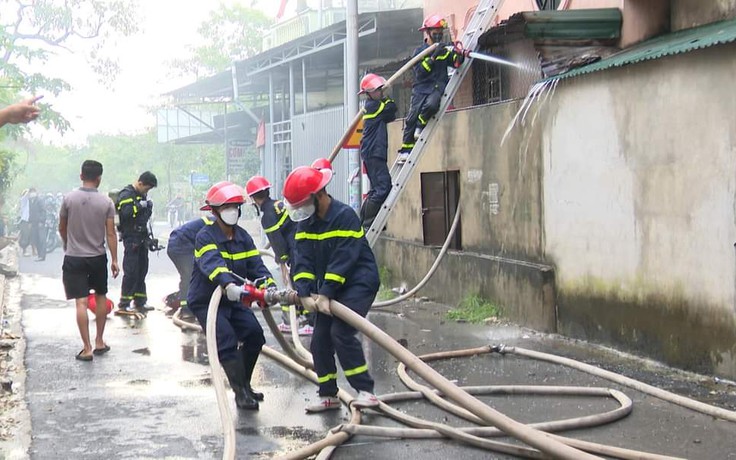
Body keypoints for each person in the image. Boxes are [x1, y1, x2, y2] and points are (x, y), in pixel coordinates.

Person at [283, 166, 380, 413]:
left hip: (358, 282)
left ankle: (366, 391)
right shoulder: (306, 222)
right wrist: (304, 292)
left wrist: (326, 292)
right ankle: (328, 395)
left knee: (341, 332)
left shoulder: (345, 216)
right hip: (329, 289)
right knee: (319, 340)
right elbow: (301, 260)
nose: (301, 210)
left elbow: (344, 259)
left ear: (319, 195)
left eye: (303, 203)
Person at [188, 181, 278, 410]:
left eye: (236, 206)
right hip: (208, 301)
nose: (232, 211)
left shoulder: (243, 237)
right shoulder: (205, 236)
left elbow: (256, 265)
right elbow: (213, 264)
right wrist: (227, 283)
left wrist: (269, 286)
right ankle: (239, 393)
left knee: (255, 335)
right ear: (215, 211)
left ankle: (245, 385)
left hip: (234, 298)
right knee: (226, 340)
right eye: (227, 207)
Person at [58, 160, 120, 361]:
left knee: (81, 302)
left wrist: (68, 244)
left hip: (74, 257)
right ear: (99, 178)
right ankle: (100, 341)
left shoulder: (68, 199)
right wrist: (114, 259)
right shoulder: (106, 203)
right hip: (97, 258)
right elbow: (111, 234)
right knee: (101, 296)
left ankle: (87, 348)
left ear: (81, 176)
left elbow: (62, 227)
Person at [245, 175, 313, 336]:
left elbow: (277, 242)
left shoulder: (267, 215)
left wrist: (282, 263)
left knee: (294, 283)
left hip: (294, 248)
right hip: (303, 243)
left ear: (254, 198)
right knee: (302, 281)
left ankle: (308, 320)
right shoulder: (279, 204)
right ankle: (298, 318)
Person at [397, 14, 465, 163]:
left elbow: (455, 63)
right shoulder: (419, 52)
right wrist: (434, 56)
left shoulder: (445, 50)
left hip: (437, 88)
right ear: (427, 32)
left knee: (433, 104)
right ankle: (406, 151)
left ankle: (421, 124)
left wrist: (459, 55)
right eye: (436, 31)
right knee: (411, 119)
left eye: (441, 31)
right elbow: (421, 71)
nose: (439, 34)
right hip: (421, 89)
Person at [358, 73, 397, 229]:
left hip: (374, 152)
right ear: (369, 93)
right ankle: (367, 221)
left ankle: (365, 220)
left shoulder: (376, 108)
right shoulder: (372, 106)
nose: (380, 92)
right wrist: (387, 98)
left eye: (381, 90)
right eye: (378, 90)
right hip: (373, 151)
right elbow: (391, 107)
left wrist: (385, 99)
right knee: (383, 187)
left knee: (377, 189)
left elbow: (391, 115)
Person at [116, 171, 158, 314]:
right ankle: (124, 303)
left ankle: (140, 301)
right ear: (140, 183)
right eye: (146, 188)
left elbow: (145, 216)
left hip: (141, 236)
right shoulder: (126, 194)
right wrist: (140, 206)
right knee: (131, 271)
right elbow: (127, 214)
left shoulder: (141, 196)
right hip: (131, 237)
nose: (147, 191)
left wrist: (146, 206)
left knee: (142, 270)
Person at [165, 214, 216, 320]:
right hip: (180, 246)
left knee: (194, 275)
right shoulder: (214, 225)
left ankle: (193, 304)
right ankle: (186, 309)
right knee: (189, 276)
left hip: (180, 244)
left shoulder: (214, 223)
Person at [28, 188, 47, 261]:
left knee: (41, 239)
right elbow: (31, 212)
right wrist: (30, 222)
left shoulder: (40, 200)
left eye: (33, 192)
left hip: (40, 223)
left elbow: (43, 211)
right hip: (34, 223)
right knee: (36, 239)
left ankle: (42, 256)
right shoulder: (31, 201)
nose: (32, 193)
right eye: (31, 192)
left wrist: (41, 221)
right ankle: (39, 255)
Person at [18, 189, 31, 256]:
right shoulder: (23, 200)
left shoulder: (29, 201)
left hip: (28, 221)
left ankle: (24, 249)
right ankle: (24, 251)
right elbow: (26, 195)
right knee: (25, 235)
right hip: (24, 220)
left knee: (28, 235)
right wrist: (29, 190)